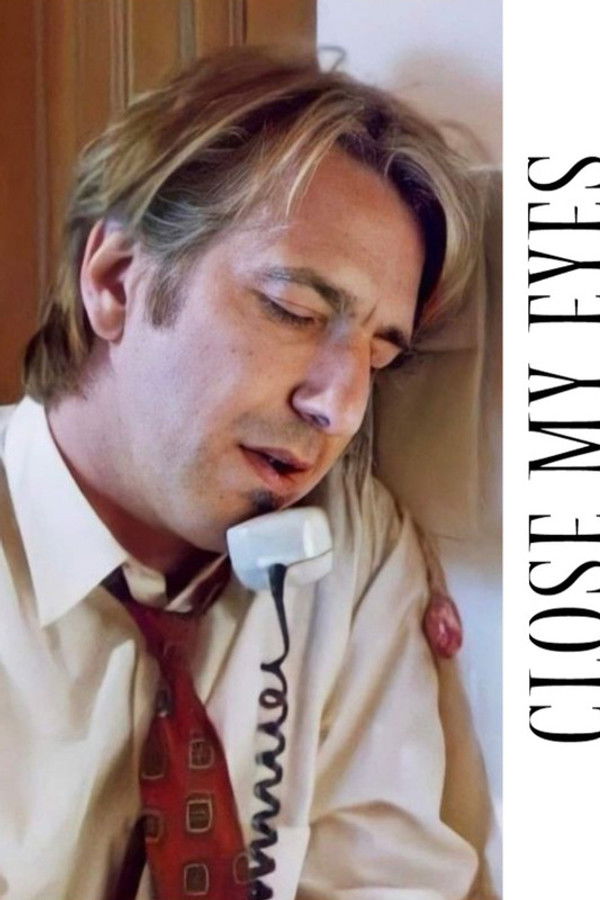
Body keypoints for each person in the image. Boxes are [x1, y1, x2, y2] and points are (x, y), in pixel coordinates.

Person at [0, 47, 481, 899]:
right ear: (115, 282)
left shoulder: (352, 551)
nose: (341, 408)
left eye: (379, 357)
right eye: (294, 311)